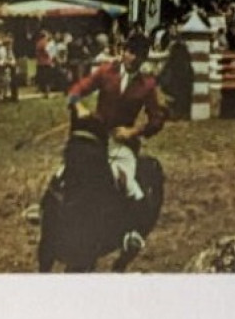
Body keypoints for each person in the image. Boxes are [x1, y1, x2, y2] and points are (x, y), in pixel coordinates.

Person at [65, 33, 168, 203]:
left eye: (139, 55)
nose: (133, 58)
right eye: (130, 52)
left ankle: (135, 223)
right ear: (123, 51)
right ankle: (48, 209)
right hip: (96, 137)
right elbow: (77, 89)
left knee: (128, 185)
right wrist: (78, 106)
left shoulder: (147, 85)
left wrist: (133, 131)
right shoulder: (106, 72)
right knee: (68, 169)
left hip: (121, 143)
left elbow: (157, 119)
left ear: (144, 59)